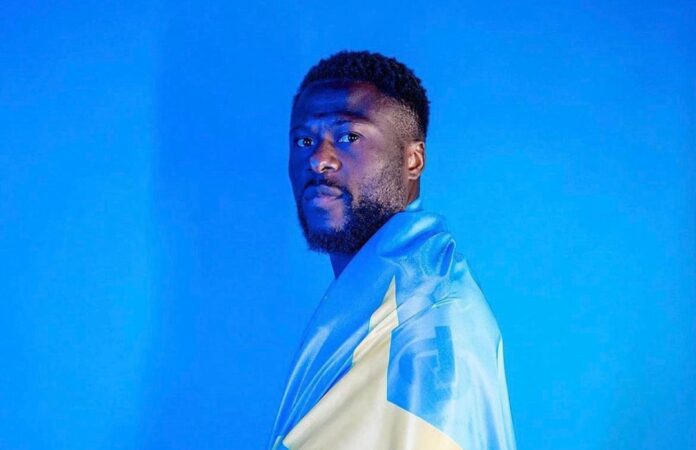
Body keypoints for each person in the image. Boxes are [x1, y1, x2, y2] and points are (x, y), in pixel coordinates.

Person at [269, 50, 516, 450]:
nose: (319, 160)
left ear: (413, 160)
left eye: (349, 137)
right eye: (305, 140)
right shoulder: (375, 298)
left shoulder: (425, 311)